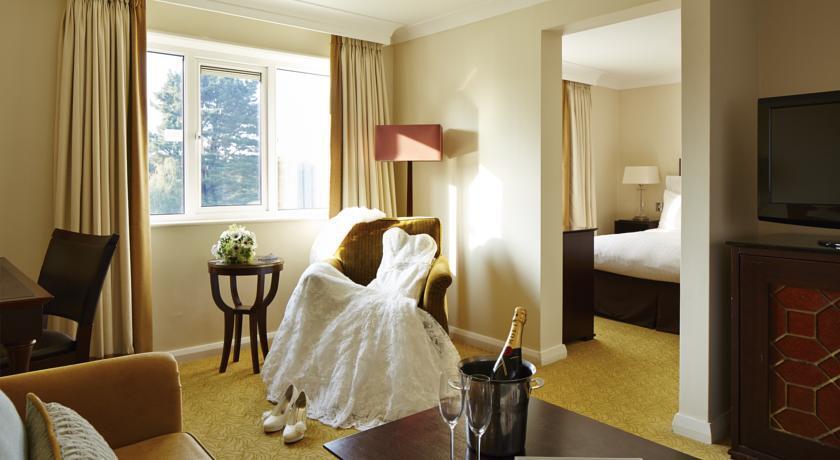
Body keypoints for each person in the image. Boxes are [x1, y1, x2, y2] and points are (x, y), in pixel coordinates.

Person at [261, 227, 460, 430]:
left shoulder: (427, 246)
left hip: (397, 295)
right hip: (374, 290)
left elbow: (426, 275)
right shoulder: (390, 236)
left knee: (375, 316)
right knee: (315, 274)